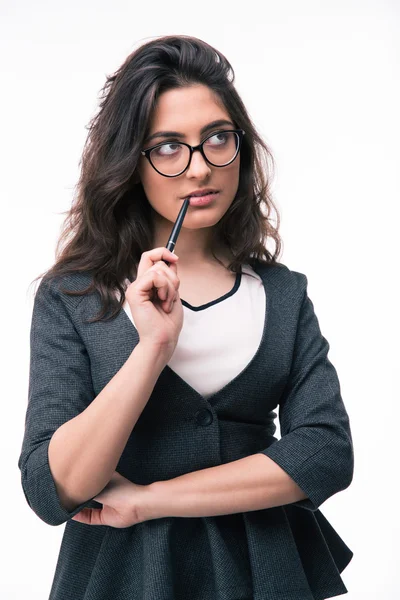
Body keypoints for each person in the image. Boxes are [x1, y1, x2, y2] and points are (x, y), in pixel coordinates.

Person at [18, 34, 354, 600]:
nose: (200, 168)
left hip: (265, 573)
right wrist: (151, 348)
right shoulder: (73, 297)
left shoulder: (283, 294)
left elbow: (324, 453)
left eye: (218, 138)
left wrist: (150, 501)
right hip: (122, 577)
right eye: (168, 147)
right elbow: (54, 489)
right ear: (130, 163)